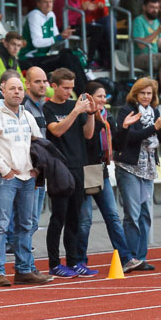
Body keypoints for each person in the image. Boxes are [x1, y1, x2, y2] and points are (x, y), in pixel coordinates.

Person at [0, 71, 52, 287]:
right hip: (7, 179)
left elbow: (38, 144)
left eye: (20, 88)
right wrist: (5, 170)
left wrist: (36, 169)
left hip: (28, 178)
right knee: (1, 225)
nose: (17, 92)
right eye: (12, 88)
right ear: (2, 90)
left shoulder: (27, 115)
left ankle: (23, 270)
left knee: (26, 224)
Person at [78, 81, 143, 273]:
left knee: (113, 216)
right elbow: (87, 140)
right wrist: (94, 117)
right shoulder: (81, 116)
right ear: (88, 97)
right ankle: (80, 261)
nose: (103, 100)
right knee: (85, 219)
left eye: (104, 96)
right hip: (85, 171)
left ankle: (126, 258)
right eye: (99, 96)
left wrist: (123, 128)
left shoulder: (107, 117)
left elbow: (119, 145)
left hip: (101, 170)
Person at [43, 68, 97, 278]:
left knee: (75, 217)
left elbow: (89, 134)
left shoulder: (75, 106)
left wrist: (91, 113)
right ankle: (54, 264)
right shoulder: (48, 107)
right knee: (59, 217)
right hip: (59, 169)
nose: (69, 92)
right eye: (65, 88)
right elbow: (56, 130)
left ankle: (74, 262)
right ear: (54, 86)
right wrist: (76, 111)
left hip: (78, 166)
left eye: (72, 88)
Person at [114, 76, 161, 270]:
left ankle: (140, 256)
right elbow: (130, 138)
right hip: (129, 167)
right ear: (135, 94)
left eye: (149, 93)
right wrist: (154, 127)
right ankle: (129, 257)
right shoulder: (126, 111)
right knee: (132, 213)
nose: (146, 97)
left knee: (145, 214)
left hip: (148, 168)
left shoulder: (154, 112)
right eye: (143, 93)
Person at [19, 0, 88, 95]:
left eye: (50, 2)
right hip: (31, 58)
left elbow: (55, 41)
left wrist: (63, 37)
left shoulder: (51, 14)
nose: (48, 5)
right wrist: (58, 37)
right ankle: (82, 93)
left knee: (70, 54)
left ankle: (86, 91)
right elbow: (37, 43)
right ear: (38, 3)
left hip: (45, 56)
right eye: (45, 2)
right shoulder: (34, 15)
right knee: (66, 58)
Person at [22, 65, 49, 273]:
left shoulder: (40, 106)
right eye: (37, 81)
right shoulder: (24, 107)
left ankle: (27, 265)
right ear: (27, 84)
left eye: (44, 81)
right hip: (29, 172)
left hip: (40, 172)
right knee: (26, 220)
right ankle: (25, 267)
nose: (42, 85)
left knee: (32, 221)